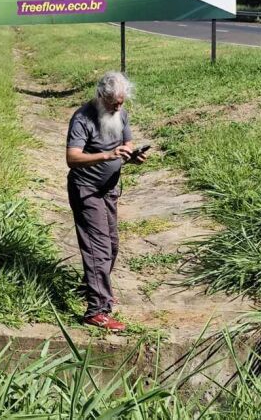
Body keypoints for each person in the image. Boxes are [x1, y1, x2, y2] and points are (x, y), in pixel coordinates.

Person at [66, 72, 147, 331]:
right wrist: (107, 155)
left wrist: (132, 155)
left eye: (121, 103)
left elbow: (127, 140)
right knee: (97, 247)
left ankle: (93, 287)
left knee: (111, 246)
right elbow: (72, 157)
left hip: (109, 189)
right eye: (113, 103)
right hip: (86, 188)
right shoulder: (82, 118)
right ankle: (96, 310)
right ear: (101, 96)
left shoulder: (119, 114)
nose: (118, 107)